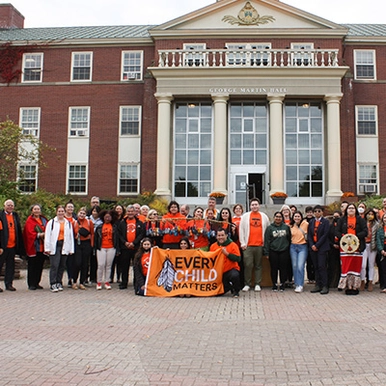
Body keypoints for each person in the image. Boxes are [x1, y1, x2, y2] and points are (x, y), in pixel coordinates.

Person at [335, 203, 367, 295]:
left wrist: (355, 237)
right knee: (346, 266)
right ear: (346, 210)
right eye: (349, 208)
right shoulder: (342, 220)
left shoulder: (360, 220)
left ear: (356, 210)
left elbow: (365, 231)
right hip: (345, 247)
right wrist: (344, 237)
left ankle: (355, 287)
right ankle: (348, 287)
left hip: (357, 246)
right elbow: (337, 231)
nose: (351, 210)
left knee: (356, 266)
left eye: (353, 208)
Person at [239, 198, 270, 292]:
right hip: (248, 245)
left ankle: (257, 283)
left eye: (256, 204)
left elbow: (267, 230)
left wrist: (266, 245)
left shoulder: (264, 216)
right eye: (252, 205)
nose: (254, 206)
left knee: (258, 265)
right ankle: (247, 284)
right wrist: (243, 243)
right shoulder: (245, 216)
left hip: (260, 245)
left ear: (259, 205)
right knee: (248, 265)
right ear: (250, 206)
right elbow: (241, 230)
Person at [44, 205, 75, 292]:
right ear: (56, 212)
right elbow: (47, 235)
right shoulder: (52, 222)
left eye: (62, 211)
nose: (61, 213)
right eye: (59, 211)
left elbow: (70, 236)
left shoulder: (67, 223)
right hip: (55, 245)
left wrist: (71, 249)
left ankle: (59, 282)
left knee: (62, 265)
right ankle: (53, 283)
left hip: (64, 245)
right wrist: (47, 248)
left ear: (64, 212)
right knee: (55, 265)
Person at [118, 205, 145, 289]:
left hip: (136, 248)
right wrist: (125, 242)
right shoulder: (122, 223)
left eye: (132, 211)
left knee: (136, 266)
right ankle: (124, 282)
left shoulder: (139, 223)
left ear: (135, 212)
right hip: (125, 248)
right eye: (128, 211)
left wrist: (134, 242)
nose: (130, 213)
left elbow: (141, 234)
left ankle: (136, 282)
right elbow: (119, 234)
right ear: (126, 212)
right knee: (124, 266)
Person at [0, 199, 24, 292]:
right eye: (8, 205)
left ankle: (9, 284)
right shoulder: (1, 216)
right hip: (3, 246)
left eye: (12, 205)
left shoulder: (15, 216)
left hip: (12, 246)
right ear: (4, 206)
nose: (10, 207)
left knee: (10, 266)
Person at [263, 212, 291, 292]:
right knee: (274, 268)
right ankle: (274, 284)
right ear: (274, 217)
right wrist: (266, 252)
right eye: (276, 216)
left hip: (284, 250)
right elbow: (267, 240)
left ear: (282, 218)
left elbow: (289, 238)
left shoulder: (286, 227)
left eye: (280, 217)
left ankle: (282, 284)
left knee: (283, 268)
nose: (278, 218)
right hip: (273, 251)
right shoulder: (270, 228)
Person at [22, 204, 48, 290]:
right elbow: (29, 233)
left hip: (42, 247)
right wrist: (38, 235)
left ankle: (37, 282)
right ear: (32, 211)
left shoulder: (44, 220)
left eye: (38, 209)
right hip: (33, 247)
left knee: (40, 265)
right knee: (32, 266)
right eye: (35, 209)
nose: (37, 211)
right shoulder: (30, 221)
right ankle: (31, 283)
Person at [210, 228, 241, 298]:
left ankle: (236, 290)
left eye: (222, 235)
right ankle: (230, 287)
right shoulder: (213, 246)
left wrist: (227, 254)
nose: (220, 237)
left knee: (234, 275)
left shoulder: (233, 245)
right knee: (218, 293)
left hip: (230, 270)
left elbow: (238, 258)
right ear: (216, 236)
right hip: (219, 272)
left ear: (226, 235)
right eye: (219, 235)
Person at [94, 210, 120, 290]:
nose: (107, 218)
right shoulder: (99, 227)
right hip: (101, 247)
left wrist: (117, 249)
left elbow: (117, 239)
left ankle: (107, 281)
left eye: (109, 217)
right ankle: (99, 282)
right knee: (101, 265)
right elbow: (96, 239)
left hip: (111, 247)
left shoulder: (114, 227)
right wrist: (95, 249)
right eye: (106, 216)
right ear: (103, 217)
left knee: (108, 266)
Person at [307, 205, 330, 295]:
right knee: (315, 266)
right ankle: (318, 284)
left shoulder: (325, 222)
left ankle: (325, 285)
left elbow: (325, 235)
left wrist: (317, 245)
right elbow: (309, 235)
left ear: (322, 212)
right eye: (315, 211)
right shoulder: (311, 222)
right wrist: (312, 245)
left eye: (319, 211)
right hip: (313, 248)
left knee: (322, 266)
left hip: (322, 247)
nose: (317, 213)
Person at [72, 207, 94, 290]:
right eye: (80, 213)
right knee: (77, 263)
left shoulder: (89, 222)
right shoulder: (74, 223)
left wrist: (91, 244)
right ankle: (74, 281)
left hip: (86, 244)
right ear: (78, 213)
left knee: (85, 264)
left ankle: (82, 282)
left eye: (84, 214)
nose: (82, 215)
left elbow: (92, 234)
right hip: (77, 243)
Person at [289, 211, 308, 293]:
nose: (297, 218)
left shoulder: (305, 224)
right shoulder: (291, 226)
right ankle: (296, 283)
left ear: (301, 217)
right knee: (295, 265)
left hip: (302, 246)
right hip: (293, 246)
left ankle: (300, 284)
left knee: (300, 265)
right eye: (295, 216)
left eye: (298, 216)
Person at [360, 208, 378, 292]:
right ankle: (362, 280)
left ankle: (370, 281)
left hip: (372, 245)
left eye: (372, 214)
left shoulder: (377, 224)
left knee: (371, 264)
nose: (370, 215)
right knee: (363, 265)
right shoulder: (361, 223)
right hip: (363, 245)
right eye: (368, 213)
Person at [110, 204, 126, 283]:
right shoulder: (112, 220)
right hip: (113, 241)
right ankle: (111, 277)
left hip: (121, 242)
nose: (118, 211)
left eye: (120, 209)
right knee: (112, 261)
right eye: (117, 209)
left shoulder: (124, 220)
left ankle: (118, 277)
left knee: (120, 262)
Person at [87, 205, 102, 284]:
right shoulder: (88, 219)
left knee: (95, 261)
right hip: (88, 241)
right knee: (86, 261)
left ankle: (93, 277)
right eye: (93, 211)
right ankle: (85, 277)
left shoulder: (101, 221)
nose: (95, 213)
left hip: (97, 242)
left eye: (96, 211)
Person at [328, 210, 342, 288]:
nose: (336, 218)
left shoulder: (342, 226)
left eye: (337, 216)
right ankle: (332, 282)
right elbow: (328, 237)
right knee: (332, 266)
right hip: (332, 248)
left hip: (341, 248)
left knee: (340, 266)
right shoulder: (330, 226)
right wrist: (333, 244)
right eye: (334, 217)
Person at [376, 212, 386, 293]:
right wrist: (381, 250)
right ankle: (384, 285)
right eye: (385, 218)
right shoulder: (380, 229)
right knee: (383, 268)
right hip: (383, 249)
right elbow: (378, 240)